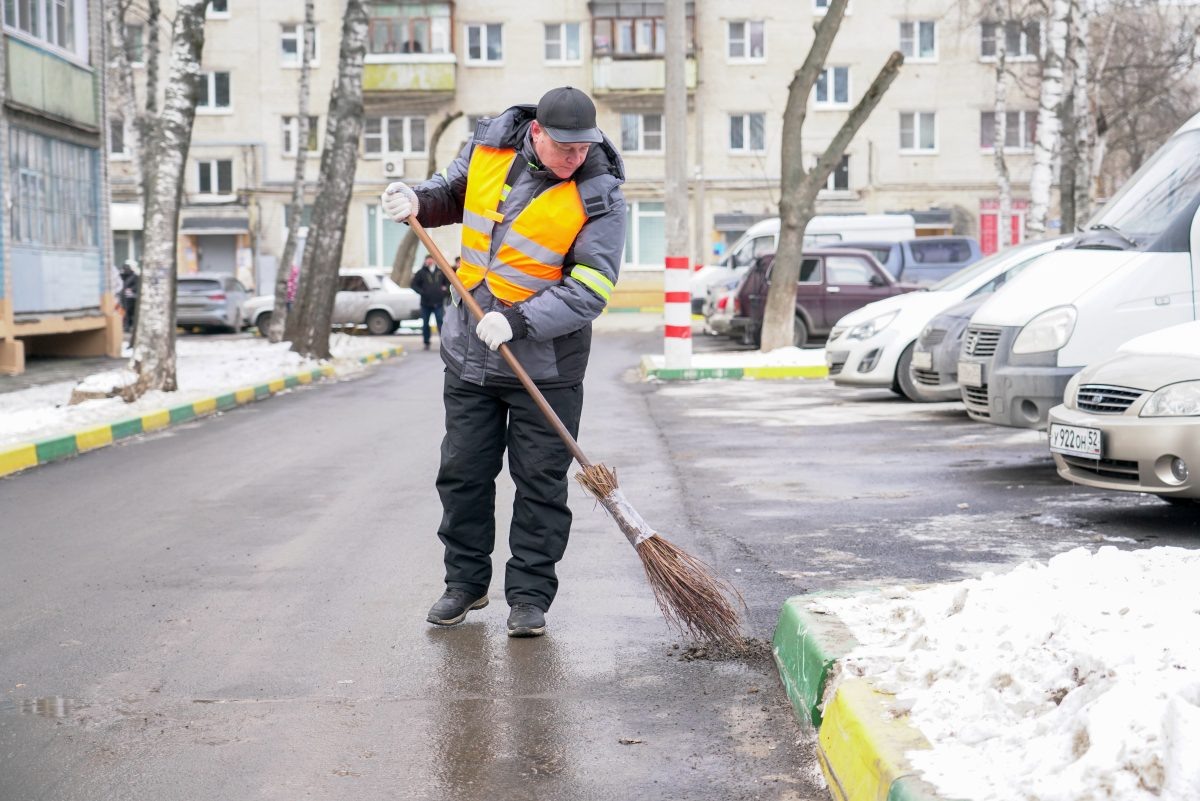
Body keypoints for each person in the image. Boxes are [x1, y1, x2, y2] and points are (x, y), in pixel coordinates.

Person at [381, 86, 626, 638]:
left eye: (582, 148)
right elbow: (451, 194)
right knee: (463, 474)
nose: (574, 158)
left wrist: (520, 322)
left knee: (540, 483)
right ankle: (465, 585)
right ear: (535, 133)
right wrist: (417, 201)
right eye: (564, 148)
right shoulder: (489, 150)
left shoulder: (601, 194)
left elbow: (591, 287)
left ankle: (530, 597)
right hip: (470, 354)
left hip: (547, 364)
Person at [410, 253, 450, 350]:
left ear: (434, 261)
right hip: (426, 303)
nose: (429, 261)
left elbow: (448, 284)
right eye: (427, 260)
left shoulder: (440, 272)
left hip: (438, 302)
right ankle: (426, 342)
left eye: (431, 259)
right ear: (425, 261)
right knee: (425, 323)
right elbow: (413, 285)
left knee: (440, 322)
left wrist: (444, 292)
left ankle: (443, 343)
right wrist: (422, 292)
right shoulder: (420, 273)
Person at [119, 262, 139, 333]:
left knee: (129, 313)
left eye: (126, 269)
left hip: (131, 298)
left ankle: (128, 326)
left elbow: (136, 286)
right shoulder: (126, 277)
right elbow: (122, 278)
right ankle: (127, 326)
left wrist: (132, 290)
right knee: (126, 313)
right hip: (125, 298)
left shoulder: (134, 276)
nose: (125, 270)